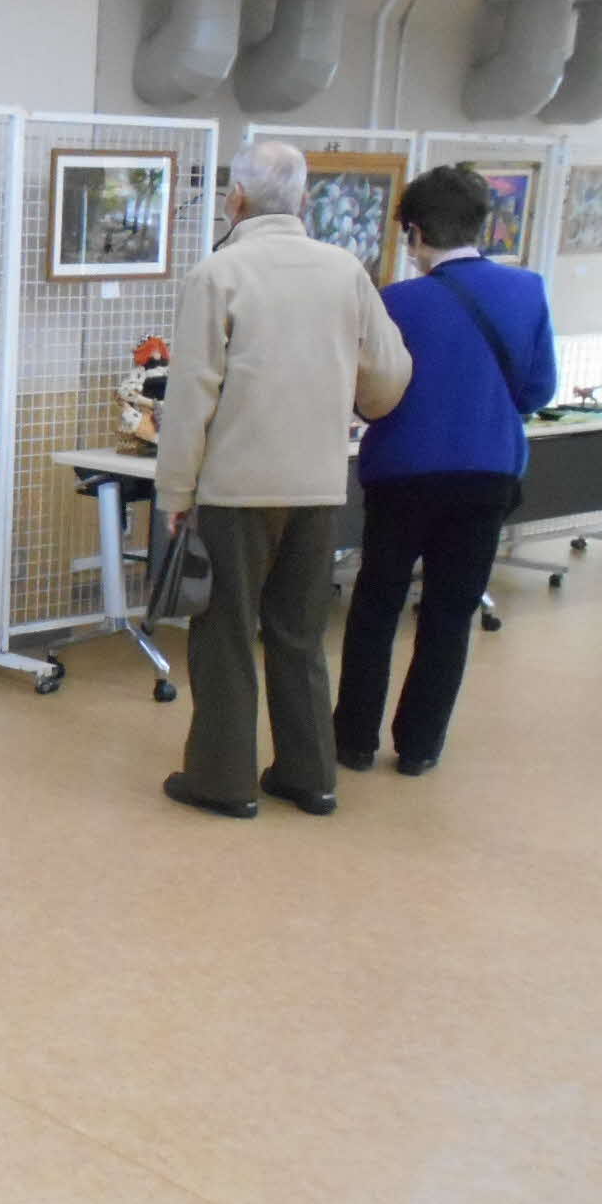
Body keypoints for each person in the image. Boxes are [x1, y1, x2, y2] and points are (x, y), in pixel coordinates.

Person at [155, 140, 411, 820]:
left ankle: (222, 779)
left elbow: (192, 397)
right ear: (304, 201)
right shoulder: (345, 271)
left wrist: (175, 493)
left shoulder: (219, 273)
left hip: (237, 489)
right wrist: (355, 405)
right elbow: (387, 372)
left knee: (226, 632)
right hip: (319, 484)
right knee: (299, 634)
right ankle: (310, 775)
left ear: (234, 201)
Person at [334, 165, 557, 777]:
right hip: (488, 472)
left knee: (377, 602)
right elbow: (538, 391)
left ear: (413, 232)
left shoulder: (395, 302)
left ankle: (353, 739)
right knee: (450, 612)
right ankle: (420, 745)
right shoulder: (528, 291)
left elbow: (367, 395)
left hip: (402, 472)